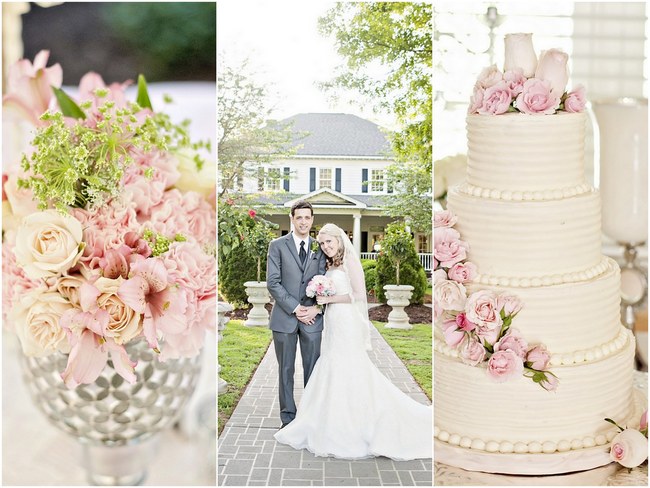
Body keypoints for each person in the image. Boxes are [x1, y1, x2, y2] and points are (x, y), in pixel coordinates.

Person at [274, 223, 432, 460]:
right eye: (323, 243)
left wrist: (327, 299)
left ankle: (356, 421)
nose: (326, 246)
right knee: (331, 364)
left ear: (340, 239)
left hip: (346, 321)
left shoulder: (349, 260)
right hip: (333, 322)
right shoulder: (329, 263)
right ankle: (331, 419)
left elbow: (358, 295)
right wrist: (321, 303)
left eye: (330, 242)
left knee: (348, 365)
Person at [266, 200, 327, 428]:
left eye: (307, 217)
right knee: (286, 370)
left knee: (313, 370)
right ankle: (288, 419)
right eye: (299, 217)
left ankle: (310, 417)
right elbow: (273, 282)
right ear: (292, 218)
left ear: (312, 220)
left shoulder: (319, 248)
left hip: (312, 319)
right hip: (285, 318)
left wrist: (315, 308)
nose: (303, 221)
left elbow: (325, 281)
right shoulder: (277, 245)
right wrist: (295, 308)